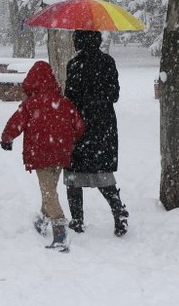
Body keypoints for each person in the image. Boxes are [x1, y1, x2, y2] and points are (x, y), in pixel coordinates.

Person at [0, 61, 85, 252]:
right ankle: (42, 220)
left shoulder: (30, 104)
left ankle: (60, 233)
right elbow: (79, 126)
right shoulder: (64, 102)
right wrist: (66, 139)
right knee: (50, 190)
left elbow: (16, 124)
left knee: (49, 192)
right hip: (61, 153)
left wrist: (6, 139)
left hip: (41, 154)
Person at [64, 29, 129, 237]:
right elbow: (114, 94)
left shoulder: (74, 64)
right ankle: (118, 212)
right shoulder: (107, 62)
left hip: (80, 125)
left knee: (74, 173)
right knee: (102, 172)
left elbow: (69, 97)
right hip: (103, 124)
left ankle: (77, 220)